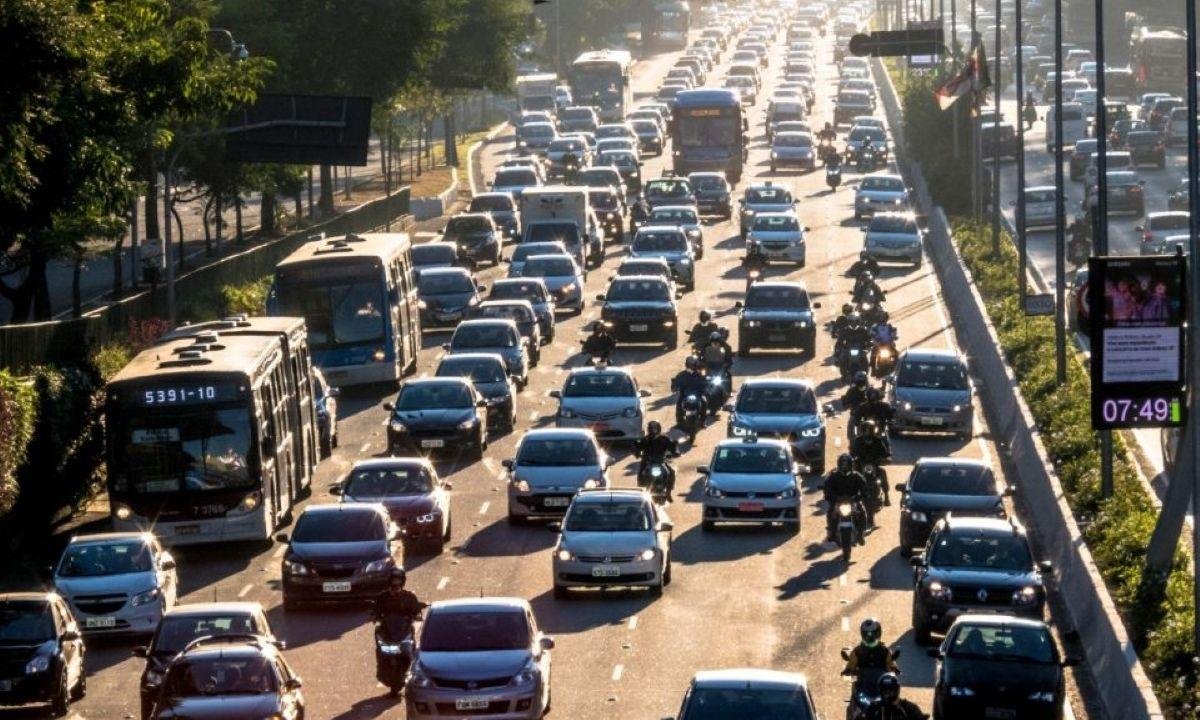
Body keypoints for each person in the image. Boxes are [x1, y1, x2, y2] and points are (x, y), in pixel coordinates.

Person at [823, 453, 868, 543]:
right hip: (838, 501)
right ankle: (831, 532)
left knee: (862, 512)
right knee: (831, 512)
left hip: (853, 500)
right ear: (839, 464)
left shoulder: (856, 476)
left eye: (846, 464)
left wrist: (861, 495)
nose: (844, 467)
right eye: (843, 464)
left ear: (851, 465)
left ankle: (861, 534)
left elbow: (864, 487)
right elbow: (827, 487)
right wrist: (829, 495)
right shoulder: (833, 476)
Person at [634, 421, 679, 497]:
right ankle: (642, 489)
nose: (653, 431)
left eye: (655, 428)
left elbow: (672, 446)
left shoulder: (664, 439)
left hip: (661, 461)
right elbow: (638, 446)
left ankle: (668, 492)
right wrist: (636, 452)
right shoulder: (645, 439)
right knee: (641, 472)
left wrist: (675, 452)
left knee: (671, 471)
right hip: (648, 462)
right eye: (651, 429)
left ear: (659, 429)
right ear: (649, 429)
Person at [671, 356, 710, 425]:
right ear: (686, 365)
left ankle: (702, 421)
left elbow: (705, 382)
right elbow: (676, 383)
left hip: (698, 394)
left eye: (692, 365)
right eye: (689, 365)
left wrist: (706, 387)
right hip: (685, 394)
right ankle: (679, 421)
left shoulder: (699, 374)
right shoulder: (681, 375)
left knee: (704, 402)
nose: (690, 367)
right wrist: (674, 387)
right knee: (679, 403)